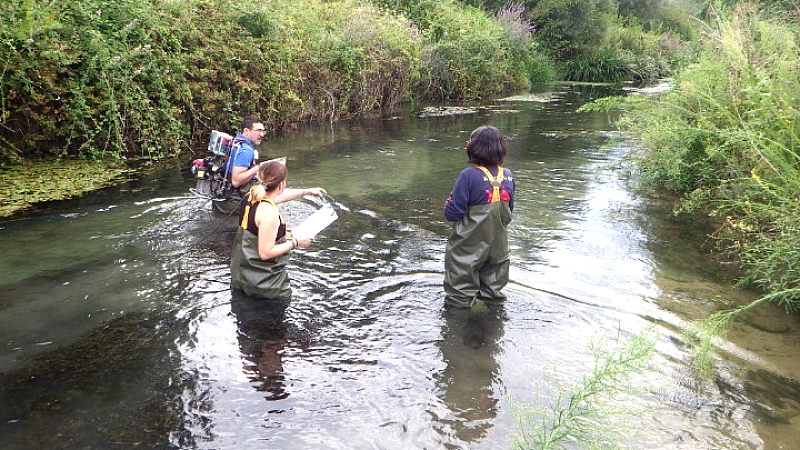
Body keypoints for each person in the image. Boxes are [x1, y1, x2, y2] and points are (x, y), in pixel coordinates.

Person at [230, 160, 326, 299]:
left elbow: (279, 196)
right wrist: (296, 242)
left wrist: (306, 191)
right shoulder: (269, 213)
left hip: (241, 276)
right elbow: (265, 253)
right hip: (264, 285)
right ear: (281, 184)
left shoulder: (250, 196)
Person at [443, 125, 515, 309]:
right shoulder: (507, 175)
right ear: (500, 148)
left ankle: (456, 333)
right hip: (498, 248)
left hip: (467, 248)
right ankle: (492, 333)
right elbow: (509, 211)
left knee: (459, 296)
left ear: (473, 148)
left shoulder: (468, 176)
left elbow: (452, 213)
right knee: (493, 295)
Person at [212, 115, 267, 215]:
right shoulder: (246, 150)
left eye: (263, 131)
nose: (262, 134)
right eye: (259, 131)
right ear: (246, 131)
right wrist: (259, 167)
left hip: (220, 199)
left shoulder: (235, 142)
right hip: (232, 204)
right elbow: (236, 181)